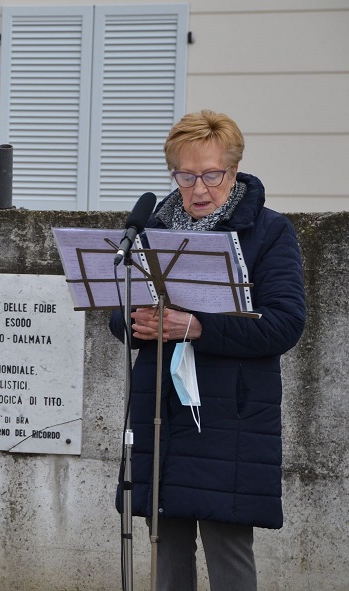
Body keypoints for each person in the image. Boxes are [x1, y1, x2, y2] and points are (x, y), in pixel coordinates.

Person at [109, 110, 306, 591]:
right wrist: (140, 323)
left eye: (212, 174)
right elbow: (121, 314)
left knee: (227, 547)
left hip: (231, 418)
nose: (198, 189)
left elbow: (284, 324)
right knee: (167, 544)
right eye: (185, 175)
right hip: (161, 410)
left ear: (234, 171)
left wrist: (197, 326)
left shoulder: (269, 232)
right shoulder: (150, 231)